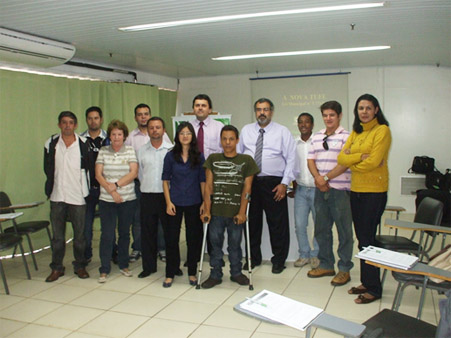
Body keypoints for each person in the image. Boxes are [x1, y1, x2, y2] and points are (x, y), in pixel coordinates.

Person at [337, 94, 391, 304]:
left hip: (374, 193)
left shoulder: (382, 131)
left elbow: (375, 161)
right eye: (361, 108)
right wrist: (359, 157)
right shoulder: (356, 132)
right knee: (363, 239)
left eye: (368, 108)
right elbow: (341, 157)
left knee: (368, 239)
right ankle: (367, 282)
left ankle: (374, 289)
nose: (364, 112)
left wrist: (352, 161)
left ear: (376, 110)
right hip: (356, 190)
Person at [238, 98, 297, 274]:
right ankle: (252, 258)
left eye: (265, 109)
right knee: (251, 223)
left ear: (271, 111)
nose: (262, 113)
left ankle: (279, 260)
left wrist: (284, 184)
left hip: (274, 183)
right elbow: (240, 156)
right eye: (258, 109)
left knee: (277, 224)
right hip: (250, 182)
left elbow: (291, 159)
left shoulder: (282, 131)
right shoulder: (246, 130)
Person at [201, 125, 259, 288]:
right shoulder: (213, 159)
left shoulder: (246, 161)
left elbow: (247, 189)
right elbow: (208, 186)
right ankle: (215, 274)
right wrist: (206, 210)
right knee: (215, 245)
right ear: (220, 141)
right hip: (216, 212)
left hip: (235, 212)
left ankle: (236, 273)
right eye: (224, 139)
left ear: (237, 140)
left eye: (231, 139)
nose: (227, 142)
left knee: (234, 245)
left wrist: (242, 212)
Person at [307, 101, 354, 286]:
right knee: (321, 230)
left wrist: (325, 178)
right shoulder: (317, 137)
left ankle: (344, 269)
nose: (328, 118)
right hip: (320, 190)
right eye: (325, 115)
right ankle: (326, 264)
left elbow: (345, 163)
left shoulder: (347, 137)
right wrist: (319, 179)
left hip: (340, 191)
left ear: (340, 116)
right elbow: (310, 160)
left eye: (332, 115)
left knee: (344, 231)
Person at [43, 111, 90, 282]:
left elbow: (89, 168)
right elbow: (47, 168)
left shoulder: (83, 144)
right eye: (64, 122)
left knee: (80, 236)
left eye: (71, 122)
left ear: (76, 125)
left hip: (77, 196)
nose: (67, 125)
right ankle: (56, 268)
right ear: (59, 125)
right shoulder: (51, 143)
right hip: (57, 196)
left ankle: (80, 266)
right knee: (57, 237)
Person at [125, 103, 170, 262]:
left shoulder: (165, 139)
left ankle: (162, 248)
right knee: (138, 220)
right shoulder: (131, 137)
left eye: (146, 113)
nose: (143, 116)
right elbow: (134, 165)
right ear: (135, 117)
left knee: (162, 221)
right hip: (142, 186)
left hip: (163, 187)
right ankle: (138, 248)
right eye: (140, 114)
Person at [162, 122, 205, 288]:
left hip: (194, 202)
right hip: (175, 202)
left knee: (192, 239)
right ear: (177, 136)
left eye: (188, 133)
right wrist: (168, 202)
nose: (185, 136)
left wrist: (203, 202)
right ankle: (170, 272)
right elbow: (165, 180)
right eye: (182, 133)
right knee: (171, 239)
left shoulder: (199, 156)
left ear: (192, 136)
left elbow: (202, 181)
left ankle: (192, 272)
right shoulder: (170, 156)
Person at [95, 120, 138, 283]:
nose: (116, 137)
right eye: (113, 134)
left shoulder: (130, 151)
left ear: (124, 136)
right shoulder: (103, 151)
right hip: (107, 199)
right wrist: (111, 191)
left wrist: (116, 185)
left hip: (127, 198)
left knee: (125, 233)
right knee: (107, 234)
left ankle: (123, 265)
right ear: (109, 136)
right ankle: (104, 268)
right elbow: (98, 174)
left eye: (120, 134)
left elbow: (133, 172)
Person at [137, 117, 173, 278]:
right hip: (147, 195)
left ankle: (173, 267)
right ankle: (148, 267)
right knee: (147, 233)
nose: (154, 130)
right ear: (148, 130)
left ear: (164, 130)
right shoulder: (142, 150)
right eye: (151, 128)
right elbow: (139, 174)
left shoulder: (171, 150)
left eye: (158, 127)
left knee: (170, 234)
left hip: (167, 197)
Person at [79, 106, 110, 263]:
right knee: (86, 226)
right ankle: (86, 254)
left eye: (96, 118)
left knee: (108, 225)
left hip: (106, 189)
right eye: (90, 118)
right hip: (87, 189)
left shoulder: (109, 139)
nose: (93, 121)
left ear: (101, 119)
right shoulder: (80, 141)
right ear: (86, 120)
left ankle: (112, 252)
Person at [289, 112, 320, 268]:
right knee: (300, 225)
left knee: (319, 224)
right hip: (301, 190)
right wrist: (294, 188)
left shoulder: (319, 142)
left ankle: (316, 255)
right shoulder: (294, 144)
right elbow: (293, 168)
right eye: (300, 122)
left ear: (312, 124)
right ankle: (304, 254)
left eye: (307, 122)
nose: (303, 125)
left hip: (317, 190)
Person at [190, 94, 223, 160]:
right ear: (193, 109)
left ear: (210, 110)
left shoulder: (219, 127)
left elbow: (224, 149)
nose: (200, 108)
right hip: (192, 167)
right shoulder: (188, 127)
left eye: (203, 106)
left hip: (213, 166)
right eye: (197, 105)